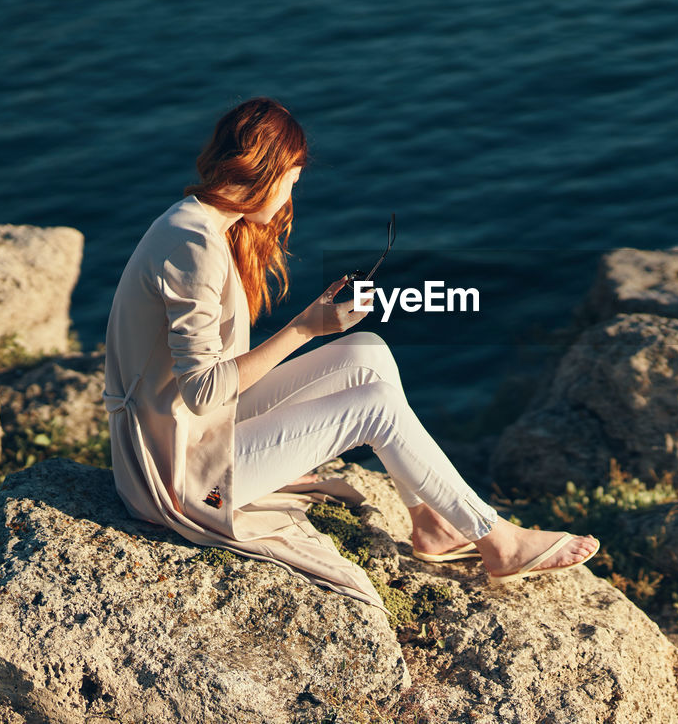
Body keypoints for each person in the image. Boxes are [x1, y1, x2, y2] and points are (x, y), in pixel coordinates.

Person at [102, 96, 598, 614]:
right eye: (292, 177)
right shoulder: (194, 244)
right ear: (266, 170)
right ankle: (497, 539)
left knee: (367, 352)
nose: (294, 190)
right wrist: (303, 329)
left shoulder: (198, 223)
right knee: (375, 405)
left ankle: (429, 521)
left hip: (188, 435)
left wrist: (318, 328)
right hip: (175, 474)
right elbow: (202, 393)